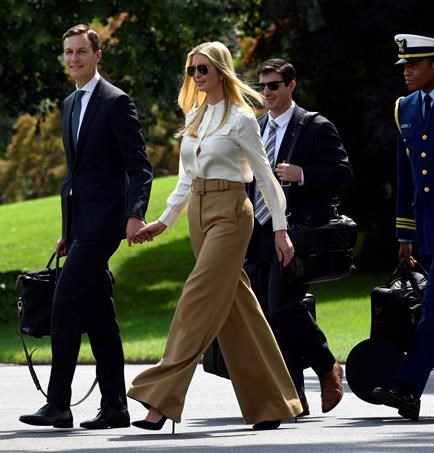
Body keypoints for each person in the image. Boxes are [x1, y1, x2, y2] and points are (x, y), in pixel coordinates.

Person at [126, 41, 301, 432]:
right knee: (238, 310)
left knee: (196, 299)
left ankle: (159, 398)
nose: (197, 76)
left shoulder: (242, 119)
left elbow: (265, 177)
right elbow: (186, 180)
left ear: (221, 71)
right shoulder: (195, 116)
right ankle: (274, 402)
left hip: (231, 212)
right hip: (199, 213)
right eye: (192, 70)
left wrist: (280, 229)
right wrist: (164, 221)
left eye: (203, 69)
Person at [19, 24, 153, 430]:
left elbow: (139, 166)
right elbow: (76, 174)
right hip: (82, 225)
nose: (74, 58)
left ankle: (58, 403)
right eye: (68, 52)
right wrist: (69, 230)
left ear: (97, 56)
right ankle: (115, 406)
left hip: (106, 222)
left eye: (81, 51)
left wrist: (135, 215)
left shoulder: (116, 101)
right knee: (99, 316)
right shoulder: (69, 103)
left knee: (64, 301)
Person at [246, 59, 353, 416]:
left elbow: (343, 172)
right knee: (268, 316)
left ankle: (327, 365)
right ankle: (294, 397)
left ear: (291, 85)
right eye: (262, 86)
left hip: (297, 232)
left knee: (283, 306)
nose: (267, 93)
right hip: (258, 232)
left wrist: (302, 174)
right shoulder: (257, 127)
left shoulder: (315, 126)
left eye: (274, 85)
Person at [372, 33, 434, 421]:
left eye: (415, 64)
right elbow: (407, 176)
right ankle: (408, 389)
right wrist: (405, 235)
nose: (407, 71)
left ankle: (407, 387)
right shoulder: (406, 108)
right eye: (405, 65)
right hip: (430, 230)